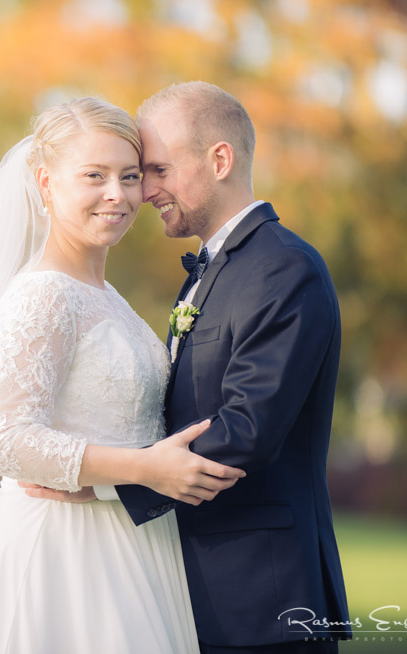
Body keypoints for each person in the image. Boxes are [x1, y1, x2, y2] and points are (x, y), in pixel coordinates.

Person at [0, 97, 245, 654]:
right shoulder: (42, 296)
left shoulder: (106, 297)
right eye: (94, 176)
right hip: (60, 553)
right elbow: (6, 442)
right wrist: (141, 470)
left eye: (130, 176)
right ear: (45, 183)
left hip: (136, 547)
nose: (118, 194)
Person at [24, 82, 352, 653]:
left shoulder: (282, 269)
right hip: (191, 585)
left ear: (219, 159)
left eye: (156, 170)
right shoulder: (213, 268)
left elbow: (246, 431)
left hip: (262, 596)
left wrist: (110, 484)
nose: (143, 191)